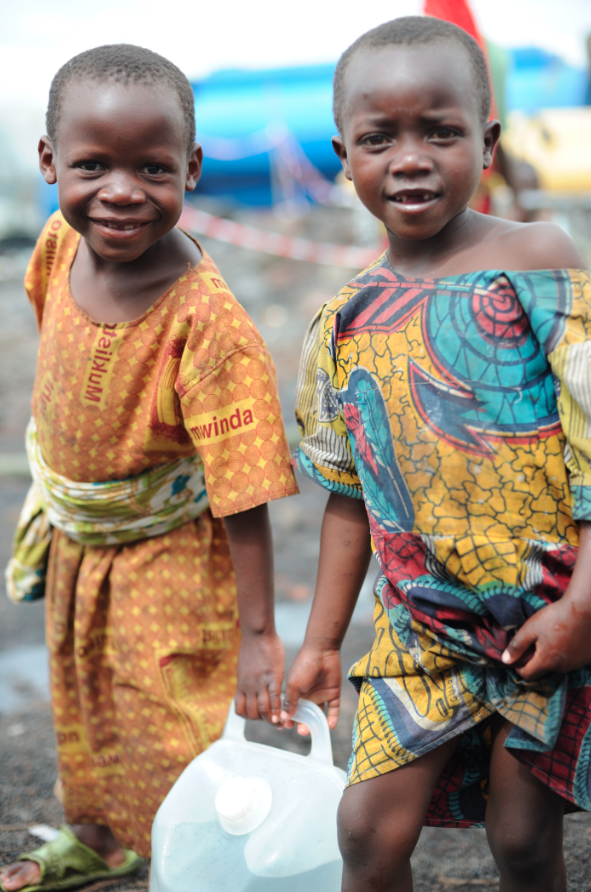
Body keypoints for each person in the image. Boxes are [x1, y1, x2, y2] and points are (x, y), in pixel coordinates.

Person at [281, 16, 591, 892]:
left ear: (485, 141)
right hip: (418, 632)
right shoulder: (345, 315)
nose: (409, 159)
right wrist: (321, 643)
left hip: (543, 623)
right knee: (366, 832)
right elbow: (349, 493)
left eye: (440, 132)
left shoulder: (535, 261)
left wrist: (581, 608)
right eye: (379, 139)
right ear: (345, 154)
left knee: (523, 840)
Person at [1, 44, 297, 892]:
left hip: (167, 550)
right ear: (50, 163)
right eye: (92, 165)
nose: (122, 191)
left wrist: (256, 635)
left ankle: (203, 864)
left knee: (173, 717)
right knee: (83, 695)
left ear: (192, 168)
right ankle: (98, 839)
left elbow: (243, 489)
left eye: (152, 168)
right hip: (76, 539)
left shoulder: (209, 327)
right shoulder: (58, 244)